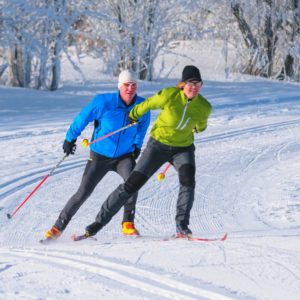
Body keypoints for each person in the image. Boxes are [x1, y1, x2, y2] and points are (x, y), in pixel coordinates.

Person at [81, 65, 212, 239]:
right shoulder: (169, 95)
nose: (194, 87)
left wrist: (197, 128)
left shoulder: (204, 106)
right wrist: (134, 114)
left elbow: (201, 125)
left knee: (188, 182)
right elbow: (147, 104)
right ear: (182, 84)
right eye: (190, 83)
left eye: (198, 84)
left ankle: (182, 226)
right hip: (158, 146)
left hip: (183, 148)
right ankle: (97, 224)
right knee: (132, 184)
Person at [44, 70, 150, 240]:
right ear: (119, 86)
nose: (130, 89)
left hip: (124, 156)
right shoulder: (103, 102)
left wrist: (137, 145)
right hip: (100, 155)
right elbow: (82, 118)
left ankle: (128, 223)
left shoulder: (142, 106)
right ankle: (57, 228)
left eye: (133, 85)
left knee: (133, 182)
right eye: (126, 85)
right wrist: (70, 138)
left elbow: (142, 128)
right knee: (83, 192)